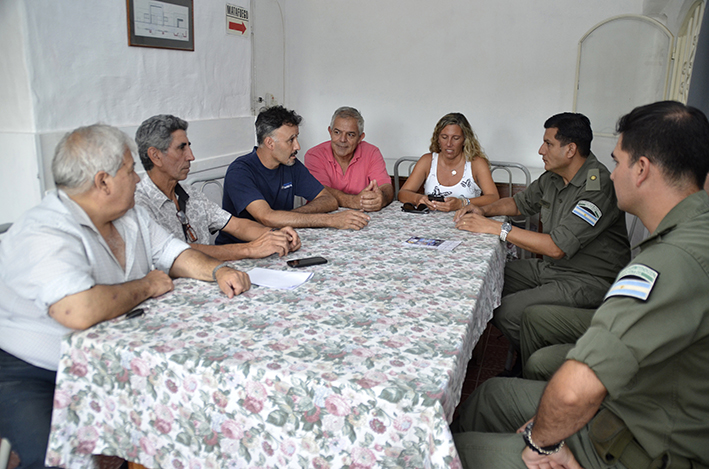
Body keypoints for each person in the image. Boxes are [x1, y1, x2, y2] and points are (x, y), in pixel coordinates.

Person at [451, 101, 709, 469]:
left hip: (633, 439)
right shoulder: (692, 233)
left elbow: (577, 389)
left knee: (452, 455)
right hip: (633, 405)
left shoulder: (670, 260)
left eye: (618, 161)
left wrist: (540, 441)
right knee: (488, 395)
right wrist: (483, 210)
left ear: (641, 170)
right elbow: (521, 203)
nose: (612, 172)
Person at [0, 124, 251, 469]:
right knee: (57, 459)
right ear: (103, 182)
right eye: (130, 170)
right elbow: (78, 310)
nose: (137, 179)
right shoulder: (43, 230)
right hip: (37, 369)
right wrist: (147, 286)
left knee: (193, 410)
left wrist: (217, 271)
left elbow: (174, 253)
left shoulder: (131, 213)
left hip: (115, 356)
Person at [454, 113, 630, 363]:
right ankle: (532, 349)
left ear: (570, 149)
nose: (540, 150)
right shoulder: (554, 177)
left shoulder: (597, 186)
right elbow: (518, 203)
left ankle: (533, 366)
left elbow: (557, 247)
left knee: (506, 311)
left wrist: (496, 229)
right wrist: (483, 210)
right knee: (483, 280)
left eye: (548, 144)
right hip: (553, 268)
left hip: (588, 279)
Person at [134, 114, 301, 260]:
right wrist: (250, 249)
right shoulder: (139, 205)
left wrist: (274, 235)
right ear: (155, 156)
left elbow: (236, 225)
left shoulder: (191, 194)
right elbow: (176, 252)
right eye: (181, 148)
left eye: (189, 146)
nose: (191, 156)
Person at [217, 106, 371, 244]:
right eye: (291, 140)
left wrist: (289, 216)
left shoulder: (291, 164)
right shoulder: (240, 171)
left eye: (296, 138)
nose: (298, 146)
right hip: (240, 252)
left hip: (281, 242)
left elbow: (328, 200)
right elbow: (267, 217)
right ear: (270, 143)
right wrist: (331, 220)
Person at [397, 113, 499, 212]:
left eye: (456, 138)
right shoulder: (427, 161)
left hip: (466, 222)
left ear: (465, 140)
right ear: (437, 139)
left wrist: (462, 203)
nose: (449, 144)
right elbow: (402, 193)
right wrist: (418, 198)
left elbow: (494, 198)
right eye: (444, 137)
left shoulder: (476, 163)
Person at [304, 106, 394, 212]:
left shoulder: (372, 152)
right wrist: (353, 201)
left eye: (350, 135)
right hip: (323, 216)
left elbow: (385, 186)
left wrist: (381, 198)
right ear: (330, 131)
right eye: (337, 132)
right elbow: (320, 191)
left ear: (360, 138)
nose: (342, 140)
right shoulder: (314, 155)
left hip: (363, 219)